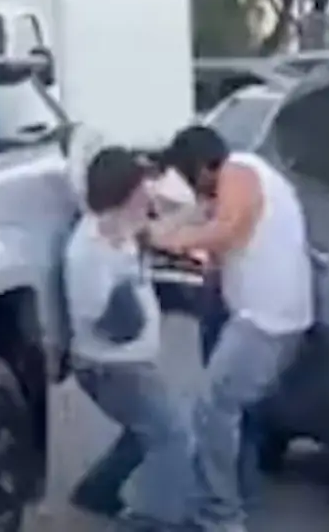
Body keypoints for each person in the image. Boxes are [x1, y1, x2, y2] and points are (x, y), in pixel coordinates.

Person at [150, 126, 314, 532]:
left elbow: (226, 230)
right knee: (233, 409)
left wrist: (168, 240)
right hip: (261, 318)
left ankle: (220, 516)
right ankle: (231, 495)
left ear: (206, 166)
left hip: (266, 322)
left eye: (194, 179)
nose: (198, 191)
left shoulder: (237, 172)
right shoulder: (242, 178)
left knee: (213, 406)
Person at [64, 146, 193, 531]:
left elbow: (181, 207)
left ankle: (96, 492)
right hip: (112, 367)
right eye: (141, 186)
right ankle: (160, 519)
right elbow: (96, 318)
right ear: (122, 190)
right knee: (173, 436)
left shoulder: (123, 229)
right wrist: (129, 301)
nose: (148, 193)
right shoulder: (89, 248)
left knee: (143, 432)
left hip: (126, 364)